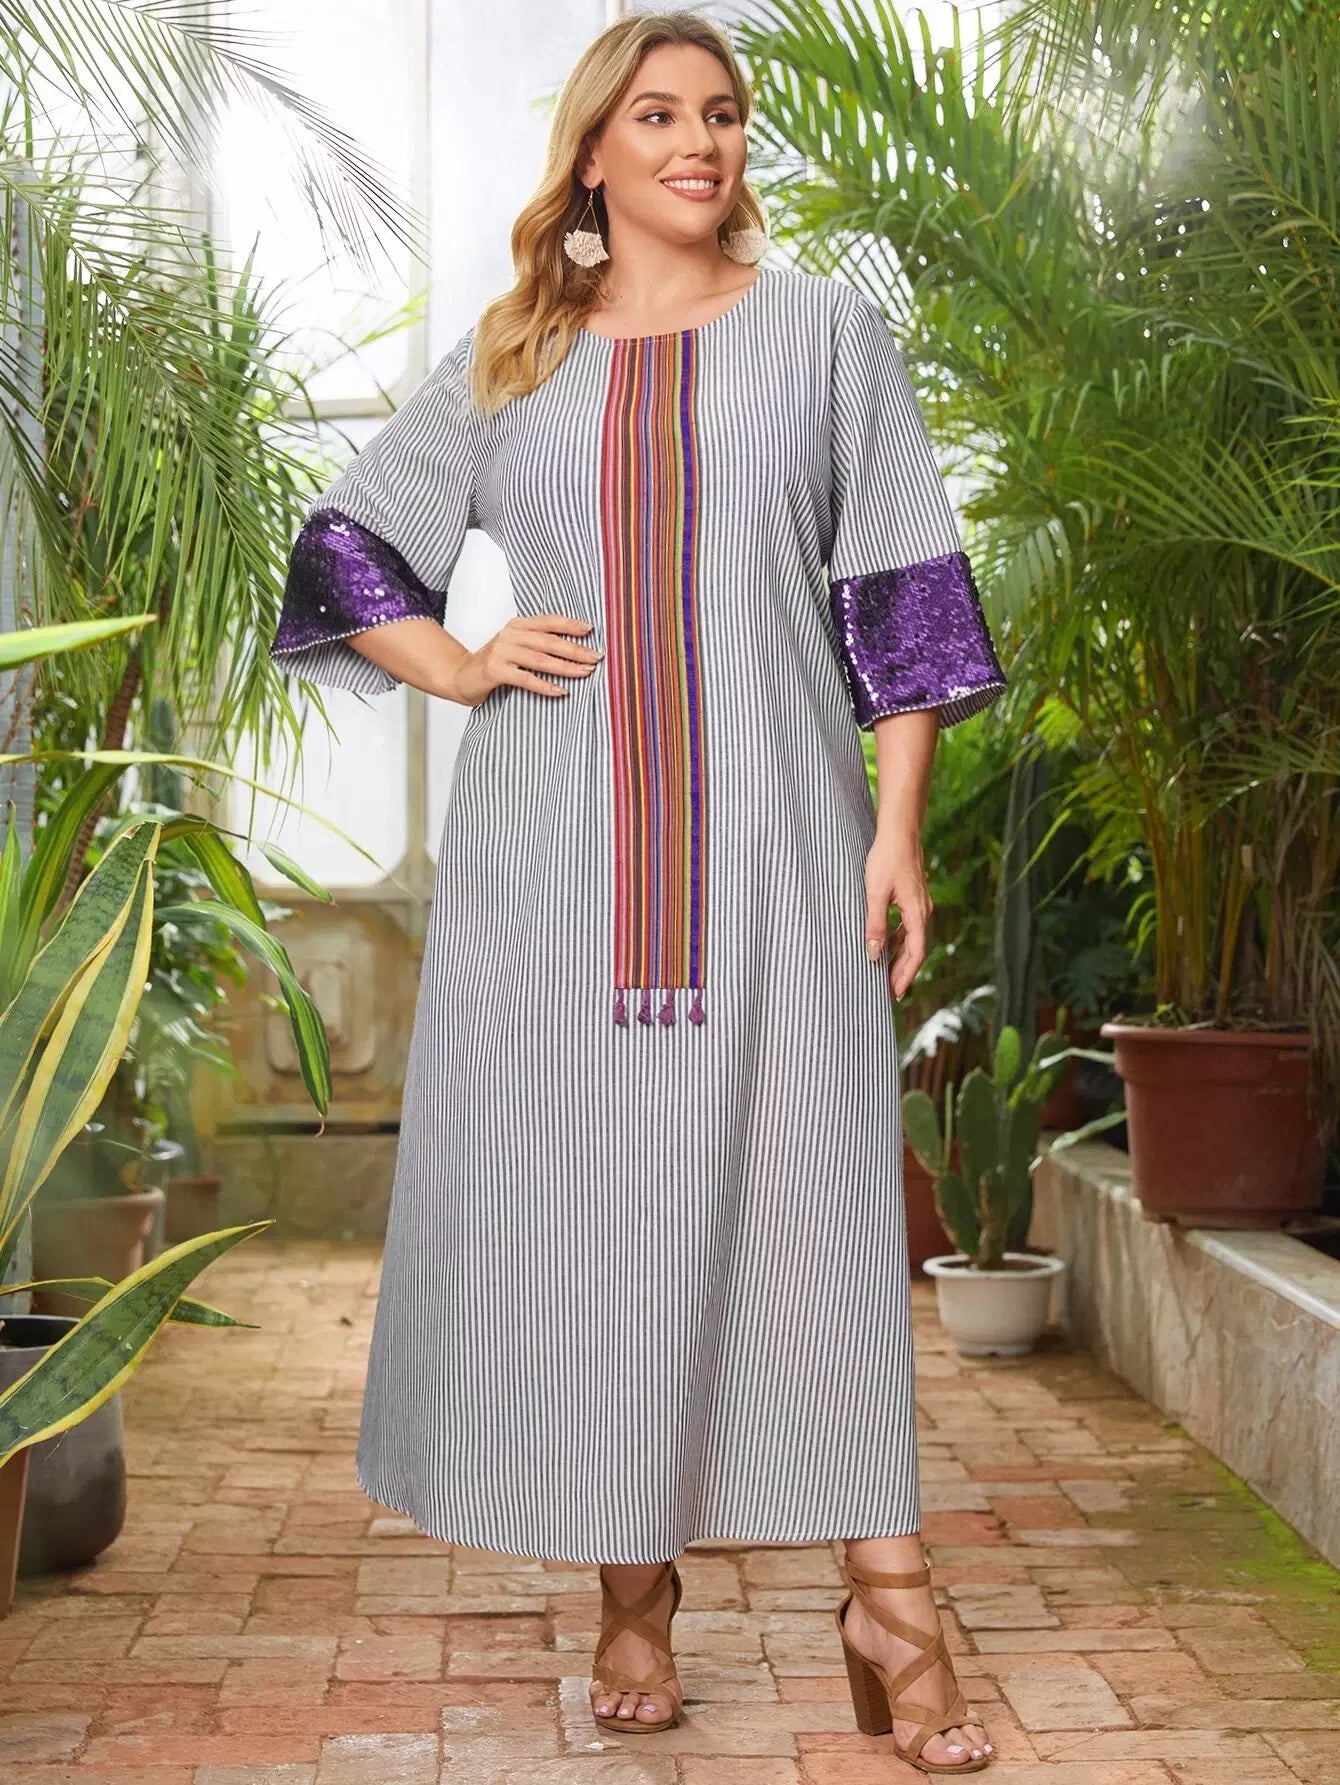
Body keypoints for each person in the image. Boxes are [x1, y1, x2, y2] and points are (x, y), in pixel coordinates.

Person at [270, 10, 1007, 1775]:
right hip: (556, 873)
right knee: (607, 1219)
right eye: (661, 114)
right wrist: (461, 663)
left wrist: (896, 831)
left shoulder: (825, 334)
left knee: (822, 1203)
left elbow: (900, 593)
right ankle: (632, 1594)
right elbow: (349, 549)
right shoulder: (515, 358)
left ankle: (889, 1594)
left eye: (723, 113)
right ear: (595, 153)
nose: (701, 142)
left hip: (778, 850)